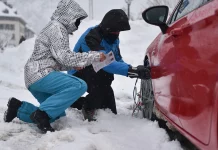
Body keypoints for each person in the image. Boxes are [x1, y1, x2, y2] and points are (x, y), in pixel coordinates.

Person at [3, 0, 106, 133]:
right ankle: (41, 115)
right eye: (77, 20)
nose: (78, 24)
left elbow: (55, 59)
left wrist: (72, 66)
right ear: (70, 16)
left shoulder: (53, 27)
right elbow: (65, 57)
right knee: (79, 85)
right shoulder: (57, 28)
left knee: (55, 115)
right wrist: (95, 56)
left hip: (34, 77)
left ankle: (18, 108)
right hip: (40, 73)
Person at [68, 9, 151, 122]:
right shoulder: (91, 37)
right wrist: (130, 71)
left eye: (119, 32)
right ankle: (88, 107)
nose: (118, 34)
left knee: (110, 107)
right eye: (115, 31)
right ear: (107, 28)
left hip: (96, 72)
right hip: (79, 73)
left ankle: (77, 102)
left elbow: (117, 59)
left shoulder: (113, 39)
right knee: (101, 79)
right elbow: (105, 63)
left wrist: (134, 69)